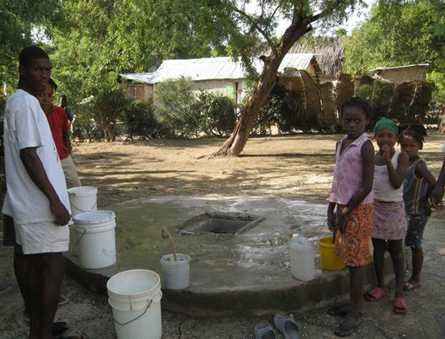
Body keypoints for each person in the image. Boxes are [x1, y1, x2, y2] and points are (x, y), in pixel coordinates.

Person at [2, 46, 77, 339]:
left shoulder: (23, 102)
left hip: (26, 201)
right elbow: (29, 156)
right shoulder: (23, 104)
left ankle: (39, 323)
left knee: (29, 262)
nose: (45, 75)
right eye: (38, 69)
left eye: (48, 69)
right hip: (38, 205)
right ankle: (41, 332)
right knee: (52, 266)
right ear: (22, 69)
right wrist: (55, 201)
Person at [327, 97, 375, 337]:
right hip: (343, 208)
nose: (352, 124)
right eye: (348, 120)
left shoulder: (366, 146)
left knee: (357, 264)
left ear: (367, 121)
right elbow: (338, 179)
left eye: (358, 120)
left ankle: (356, 313)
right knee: (348, 258)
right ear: (341, 119)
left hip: (359, 209)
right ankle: (352, 303)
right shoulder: (341, 143)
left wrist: (346, 211)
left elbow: (366, 185)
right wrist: (331, 207)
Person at [364, 117, 409, 315]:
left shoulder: (401, 156)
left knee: (397, 252)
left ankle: (399, 293)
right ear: (375, 138)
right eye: (381, 135)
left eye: (389, 135)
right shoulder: (371, 158)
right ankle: (380, 286)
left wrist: (388, 160)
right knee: (378, 249)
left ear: (396, 138)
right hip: (376, 209)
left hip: (394, 210)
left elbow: (397, 183)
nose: (385, 139)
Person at [399, 125, 436, 291]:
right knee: (406, 242)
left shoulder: (419, 165)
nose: (407, 149)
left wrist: (427, 200)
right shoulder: (403, 162)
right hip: (405, 210)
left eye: (411, 145)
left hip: (416, 212)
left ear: (419, 146)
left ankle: (416, 278)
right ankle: (408, 271)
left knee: (415, 244)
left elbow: (434, 183)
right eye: (404, 145)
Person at [39, 79, 81, 188]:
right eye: (41, 94)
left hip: (62, 156)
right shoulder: (33, 114)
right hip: (43, 160)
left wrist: (68, 149)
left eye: (49, 95)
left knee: (75, 185)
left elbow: (65, 133)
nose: (46, 99)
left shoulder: (60, 112)